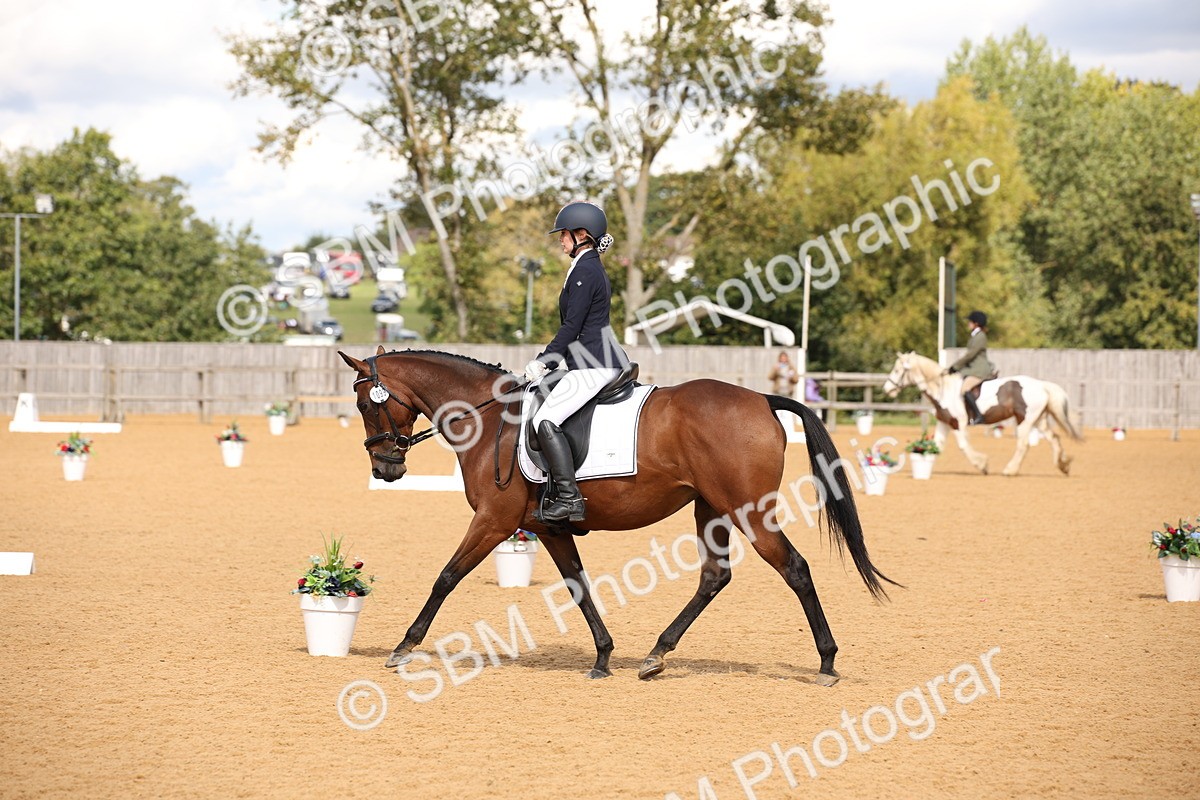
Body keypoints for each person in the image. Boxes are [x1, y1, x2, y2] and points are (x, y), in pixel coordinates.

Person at [523, 201, 630, 523]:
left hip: (593, 362)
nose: (560, 240)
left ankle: (570, 499)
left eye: (564, 234)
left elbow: (572, 326)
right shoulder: (586, 266)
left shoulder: (585, 270)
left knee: (545, 420)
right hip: (590, 360)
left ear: (582, 235)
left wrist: (545, 361)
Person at [944, 310, 992, 424]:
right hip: (972, 369)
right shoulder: (975, 335)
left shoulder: (980, 336)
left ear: (976, 323)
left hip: (979, 370)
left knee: (965, 389)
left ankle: (978, 415)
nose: (968, 323)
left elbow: (970, 355)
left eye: (970, 321)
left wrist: (955, 367)